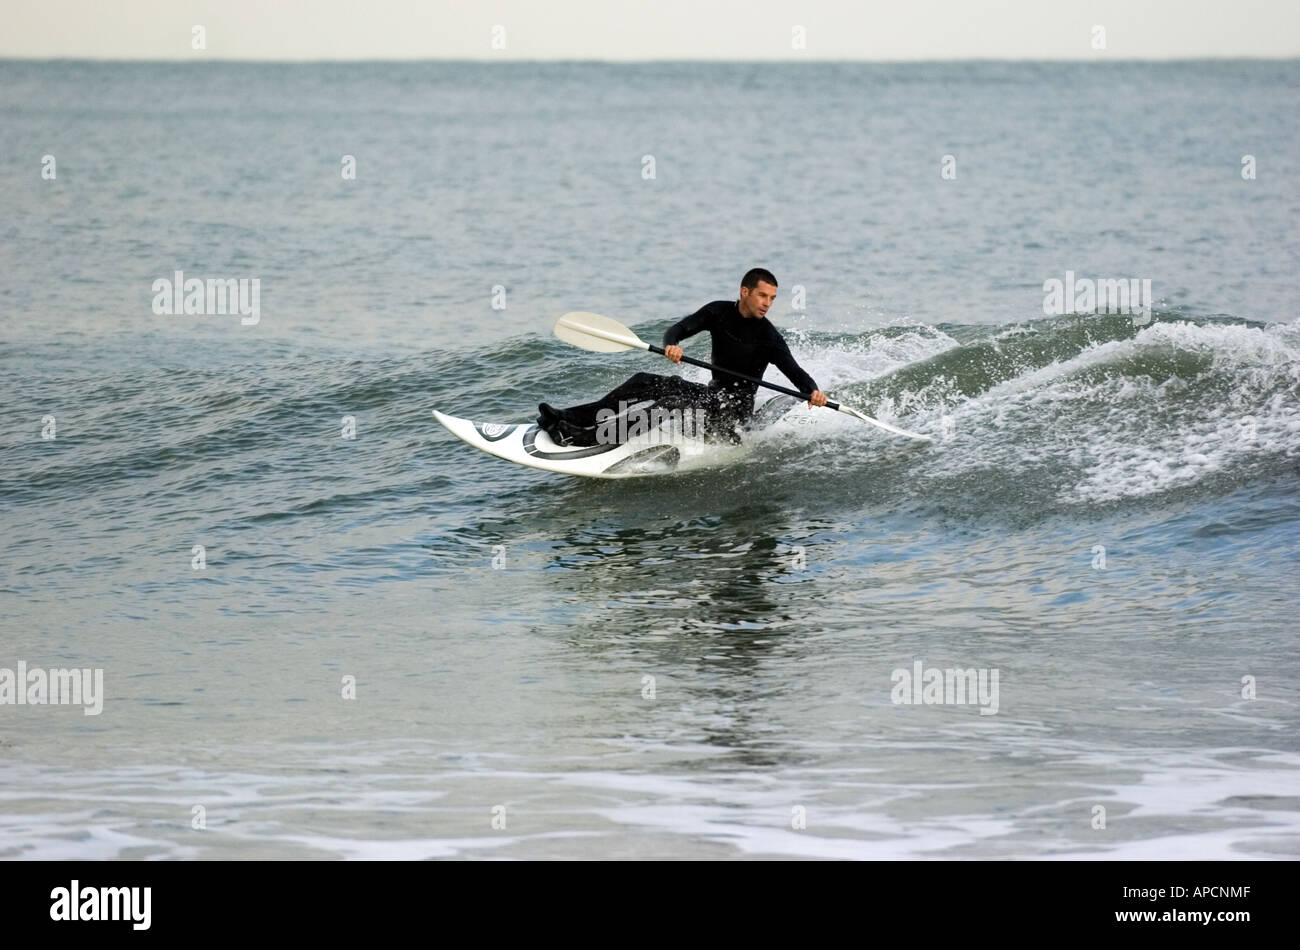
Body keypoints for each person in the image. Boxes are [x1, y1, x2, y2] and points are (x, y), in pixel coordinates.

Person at [538, 268, 828, 446]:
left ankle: (586, 437)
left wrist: (813, 391)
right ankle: (569, 417)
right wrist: (672, 344)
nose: (768, 303)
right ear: (745, 292)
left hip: (733, 413)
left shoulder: (769, 338)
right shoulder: (718, 312)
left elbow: (795, 373)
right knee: (644, 380)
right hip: (714, 395)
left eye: (772, 298)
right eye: (763, 296)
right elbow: (679, 328)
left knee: (674, 402)